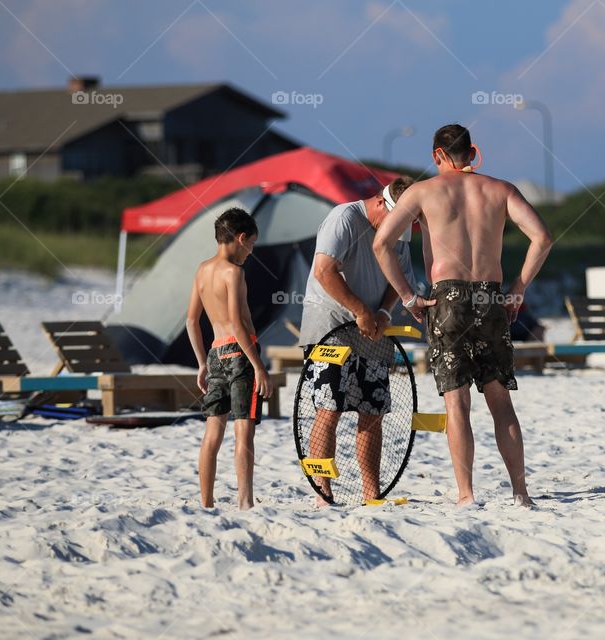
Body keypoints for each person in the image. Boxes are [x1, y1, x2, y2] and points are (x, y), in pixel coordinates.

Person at [373, 123, 553, 508]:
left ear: (438, 155)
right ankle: (520, 493)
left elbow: (381, 243)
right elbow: (542, 237)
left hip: (447, 300)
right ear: (472, 154)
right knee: (500, 400)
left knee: (457, 403)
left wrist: (406, 296)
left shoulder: (423, 191)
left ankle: (466, 493)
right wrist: (518, 288)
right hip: (490, 297)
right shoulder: (501, 189)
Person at [299, 176, 416, 507]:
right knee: (329, 409)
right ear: (381, 203)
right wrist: (361, 311)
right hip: (330, 324)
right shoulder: (345, 218)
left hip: (373, 329)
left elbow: (402, 277)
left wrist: (382, 311)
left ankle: (371, 493)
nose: (396, 232)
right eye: (394, 222)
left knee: (373, 411)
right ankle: (323, 492)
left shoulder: (398, 231)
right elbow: (324, 271)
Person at [185, 208, 273, 510]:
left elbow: (191, 321)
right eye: (252, 245)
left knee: (212, 433)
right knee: (243, 432)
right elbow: (237, 323)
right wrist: (259, 367)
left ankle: (206, 503)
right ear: (241, 237)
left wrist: (201, 363)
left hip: (215, 353)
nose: (251, 252)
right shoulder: (233, 272)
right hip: (240, 354)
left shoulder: (200, 269)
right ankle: (245, 501)